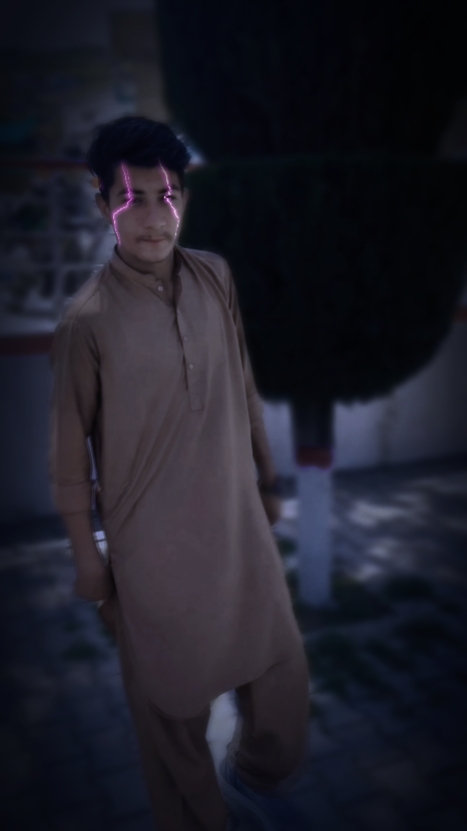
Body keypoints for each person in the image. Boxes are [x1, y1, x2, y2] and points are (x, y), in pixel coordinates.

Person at [49, 116, 311, 831]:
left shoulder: (213, 276)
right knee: (172, 714)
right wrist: (89, 563)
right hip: (151, 548)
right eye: (131, 198)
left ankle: (255, 776)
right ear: (103, 204)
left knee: (281, 681)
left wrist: (266, 478)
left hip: (235, 524)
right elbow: (68, 456)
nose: (153, 216)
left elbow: (243, 382)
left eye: (165, 196)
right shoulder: (86, 322)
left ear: (184, 200)